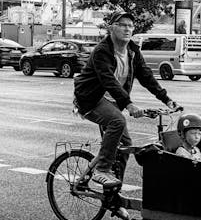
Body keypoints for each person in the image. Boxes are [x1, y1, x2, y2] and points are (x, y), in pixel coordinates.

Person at [73, 10, 180, 192]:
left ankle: (113, 194)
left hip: (113, 102)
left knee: (125, 147)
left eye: (130, 25)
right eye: (122, 25)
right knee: (117, 121)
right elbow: (109, 81)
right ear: (111, 28)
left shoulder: (132, 50)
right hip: (91, 99)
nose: (127, 29)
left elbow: (146, 76)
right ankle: (102, 169)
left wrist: (167, 100)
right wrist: (129, 104)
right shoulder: (102, 51)